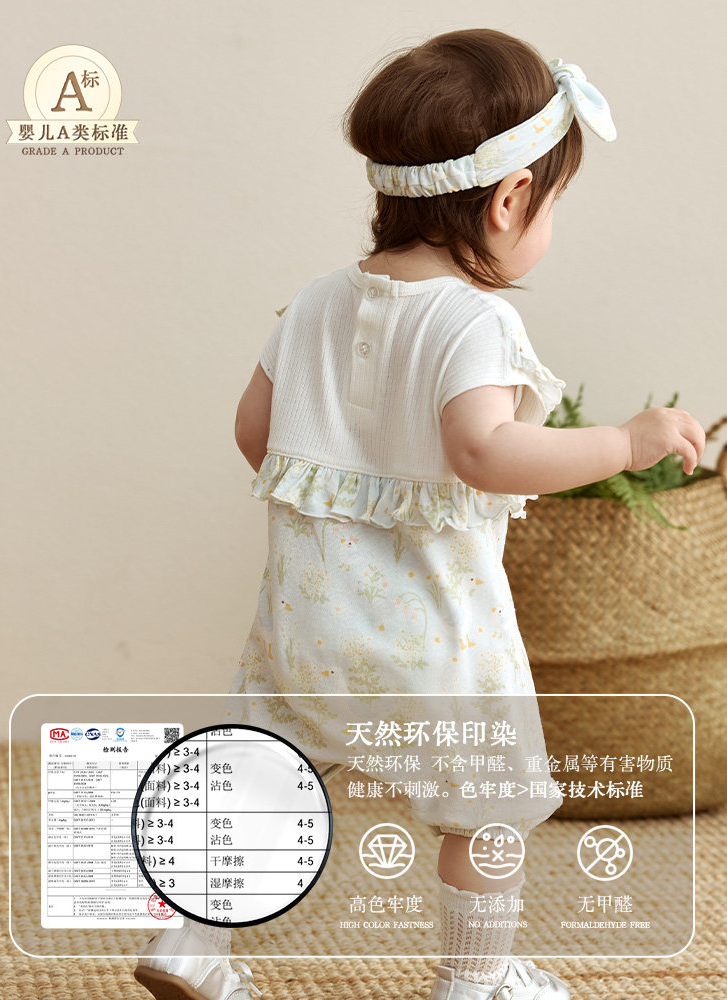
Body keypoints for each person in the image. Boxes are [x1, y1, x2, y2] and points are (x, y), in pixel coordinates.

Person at [135, 26, 706, 1000]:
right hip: (441, 634)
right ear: (509, 200)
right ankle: (473, 982)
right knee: (486, 809)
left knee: (267, 776)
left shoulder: (316, 302)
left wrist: (340, 496)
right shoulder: (474, 320)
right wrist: (622, 442)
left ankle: (192, 942)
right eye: (554, 202)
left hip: (308, 622)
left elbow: (253, 432)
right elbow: (483, 450)